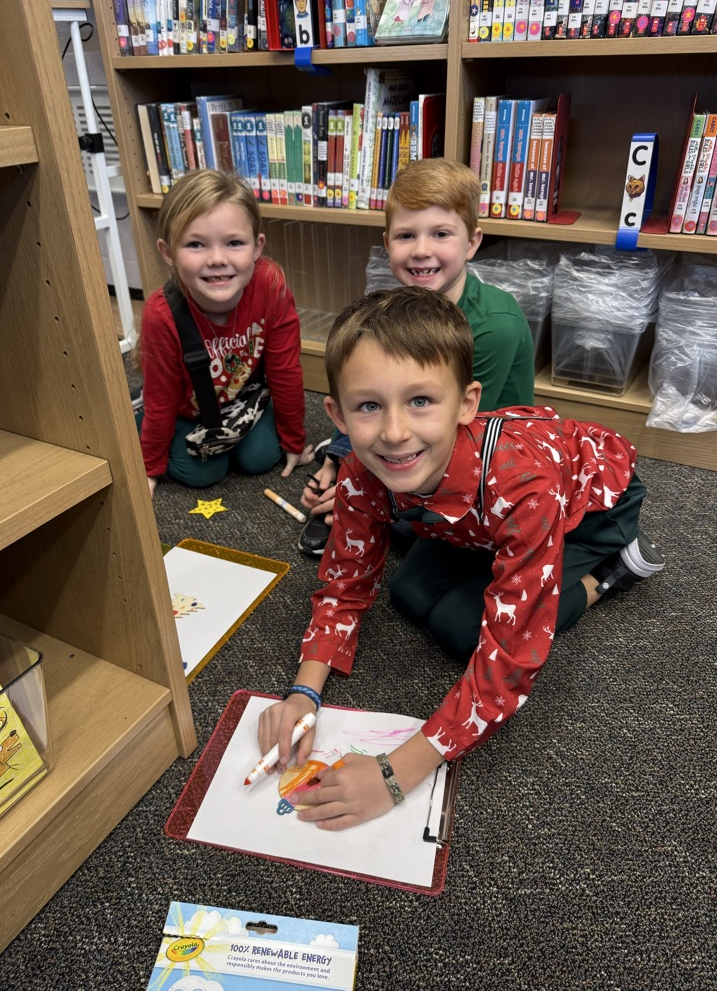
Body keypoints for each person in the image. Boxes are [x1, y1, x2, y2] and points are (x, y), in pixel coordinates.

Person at [257, 287, 665, 831]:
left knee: (458, 627)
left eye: (421, 400)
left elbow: (510, 660)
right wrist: (304, 692)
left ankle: (610, 575)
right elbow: (344, 582)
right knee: (409, 594)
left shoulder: (525, 486)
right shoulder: (362, 466)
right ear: (336, 413)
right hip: (474, 523)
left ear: (467, 403)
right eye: (369, 406)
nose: (395, 433)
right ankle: (502, 555)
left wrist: (396, 772)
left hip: (590, 511)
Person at [297, 157, 534, 555]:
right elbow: (369, 386)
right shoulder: (398, 310)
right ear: (388, 243)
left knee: (402, 532)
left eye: (441, 233)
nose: (422, 251)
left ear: (472, 242)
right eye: (406, 236)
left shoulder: (495, 327)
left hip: (485, 454)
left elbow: (455, 432)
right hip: (419, 428)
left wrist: (361, 489)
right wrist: (338, 462)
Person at [137, 169, 313, 497]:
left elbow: (284, 370)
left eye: (234, 243)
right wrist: (149, 468)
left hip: (240, 399)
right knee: (202, 473)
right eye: (195, 245)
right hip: (187, 409)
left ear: (257, 246)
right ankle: (138, 421)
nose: (218, 259)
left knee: (262, 458)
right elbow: (161, 399)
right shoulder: (161, 315)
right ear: (168, 252)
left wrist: (295, 441)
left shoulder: (270, 284)